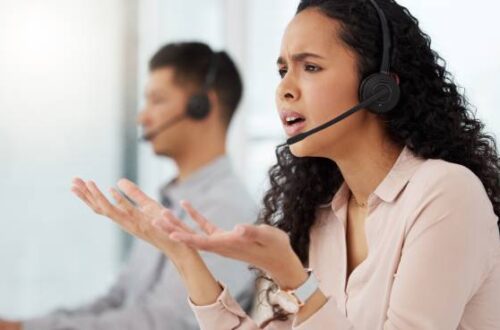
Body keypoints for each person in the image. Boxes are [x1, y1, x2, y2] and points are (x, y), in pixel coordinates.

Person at [54, 0, 500, 329]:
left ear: (378, 89)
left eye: (310, 67)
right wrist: (183, 256)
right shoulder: (321, 217)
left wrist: (295, 278)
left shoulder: (446, 194)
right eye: (282, 69)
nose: (285, 88)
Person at [0, 41, 257, 330]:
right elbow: (119, 299)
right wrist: (23, 325)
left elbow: (165, 323)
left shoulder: (224, 210)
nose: (142, 117)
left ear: (201, 105)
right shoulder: (171, 199)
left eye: (157, 100)